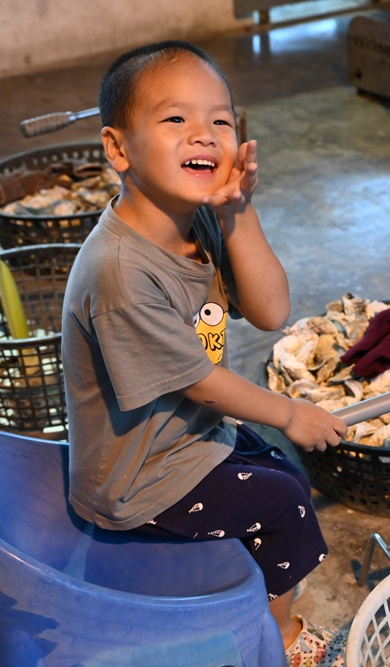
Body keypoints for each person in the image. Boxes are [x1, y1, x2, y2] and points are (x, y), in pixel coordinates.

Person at [61, 40, 349, 665]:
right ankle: (276, 644)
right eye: (175, 119)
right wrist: (290, 412)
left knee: (282, 471)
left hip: (189, 441)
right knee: (286, 504)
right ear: (118, 149)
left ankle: (247, 606)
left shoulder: (205, 220)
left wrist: (241, 211)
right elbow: (198, 380)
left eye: (221, 120)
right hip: (135, 481)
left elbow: (271, 310)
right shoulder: (119, 273)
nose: (205, 135)